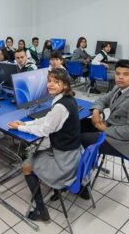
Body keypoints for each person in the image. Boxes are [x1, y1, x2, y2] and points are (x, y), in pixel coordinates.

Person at [7, 68, 84, 222]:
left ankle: (41, 210)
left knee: (26, 166)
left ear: (66, 85)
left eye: (56, 82)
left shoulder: (60, 107)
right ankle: (61, 190)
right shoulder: (67, 100)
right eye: (49, 81)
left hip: (65, 161)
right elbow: (47, 119)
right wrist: (26, 123)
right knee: (38, 152)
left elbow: (44, 130)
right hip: (75, 154)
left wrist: (20, 127)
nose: (51, 85)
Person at [80, 59, 129, 164]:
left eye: (126, 74)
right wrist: (96, 111)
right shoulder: (118, 87)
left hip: (123, 143)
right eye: (118, 73)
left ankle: (83, 170)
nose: (120, 77)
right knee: (77, 125)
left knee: (81, 138)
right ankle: (84, 161)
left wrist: (105, 129)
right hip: (112, 127)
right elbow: (103, 99)